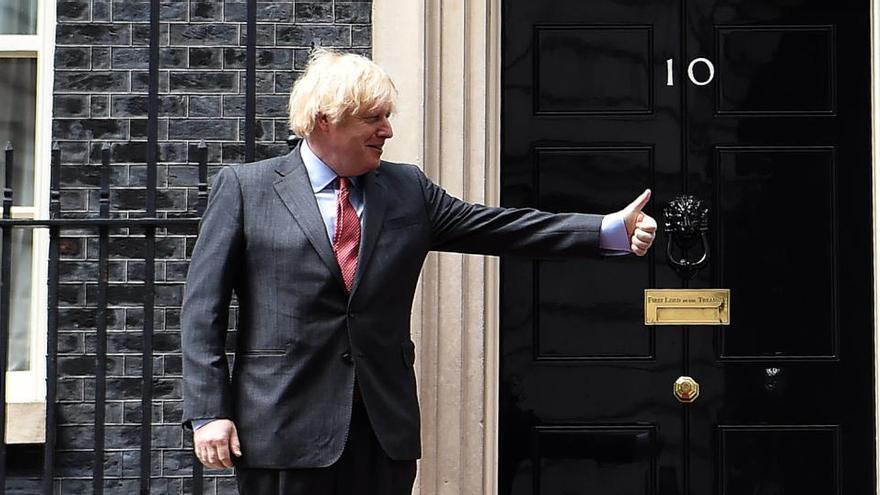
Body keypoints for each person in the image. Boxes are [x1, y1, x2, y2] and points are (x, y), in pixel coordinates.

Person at [181, 48, 657, 494]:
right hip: (281, 429)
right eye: (373, 118)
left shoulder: (407, 189)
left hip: (382, 432)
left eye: (387, 117)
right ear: (324, 120)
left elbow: (500, 227)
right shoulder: (248, 189)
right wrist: (208, 413)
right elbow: (203, 310)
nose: (386, 131)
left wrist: (608, 229)